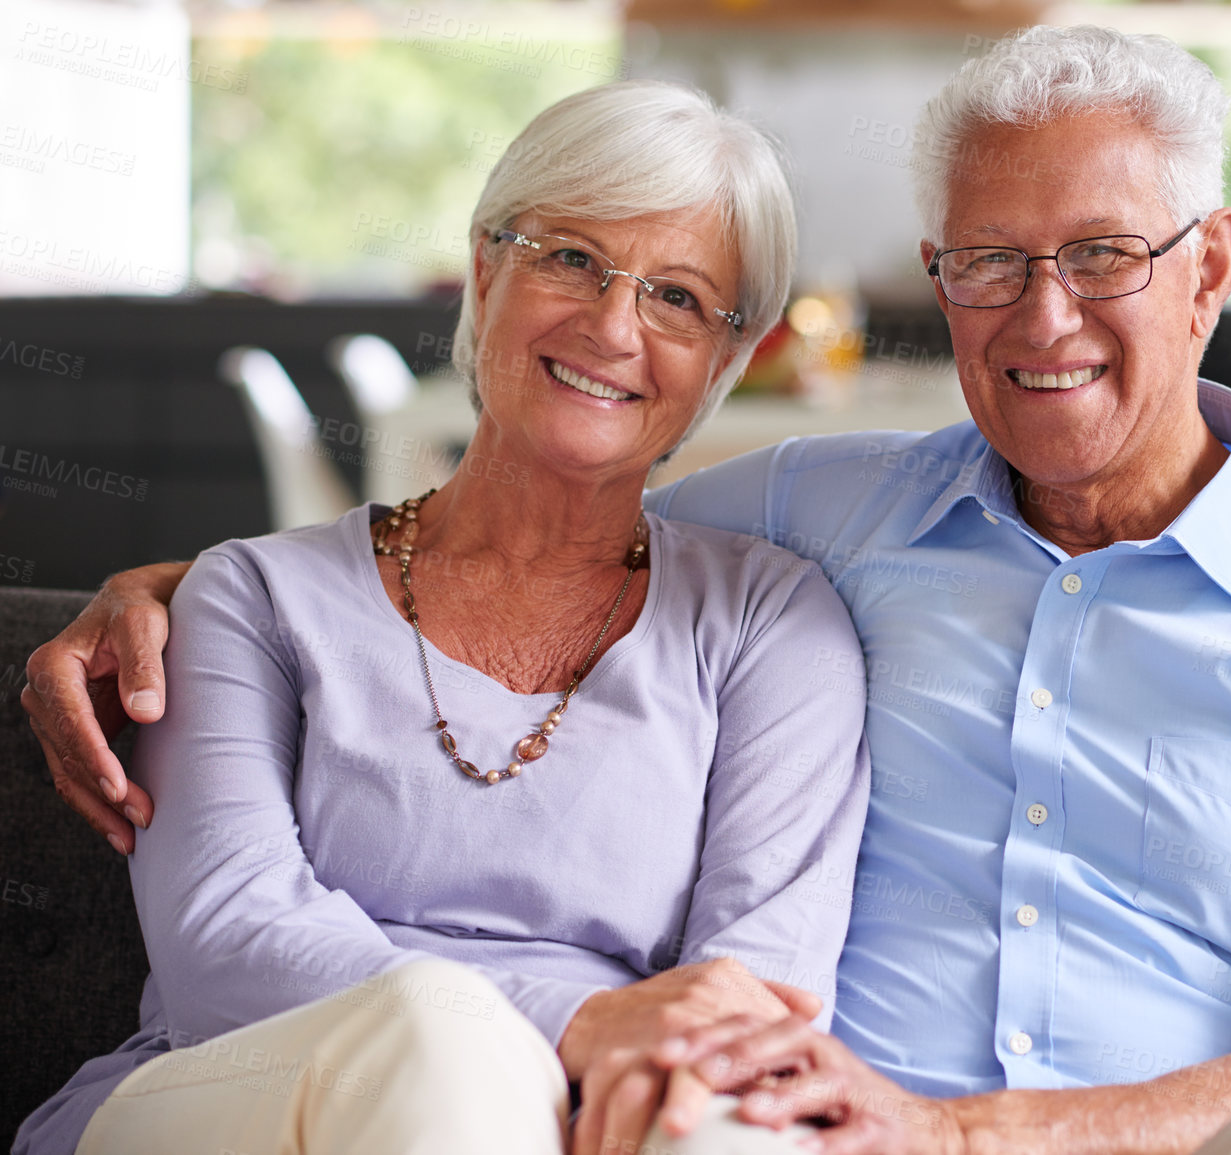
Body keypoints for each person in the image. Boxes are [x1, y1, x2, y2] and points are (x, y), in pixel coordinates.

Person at [24, 26, 1231, 1155]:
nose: (1041, 313)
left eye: (1102, 255)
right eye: (988, 260)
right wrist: (196, 587)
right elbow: (550, 502)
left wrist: (957, 1129)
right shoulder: (828, 515)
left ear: (1209, 269)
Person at [13, 80, 874, 1155]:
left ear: (728, 363)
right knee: (438, 1036)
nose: (613, 325)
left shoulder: (772, 626)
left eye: (680, 299)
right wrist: (580, 1020)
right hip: (243, 1093)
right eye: (569, 258)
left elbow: (756, 1003)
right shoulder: (254, 597)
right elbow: (222, 944)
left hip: (599, 1114)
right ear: (483, 269)